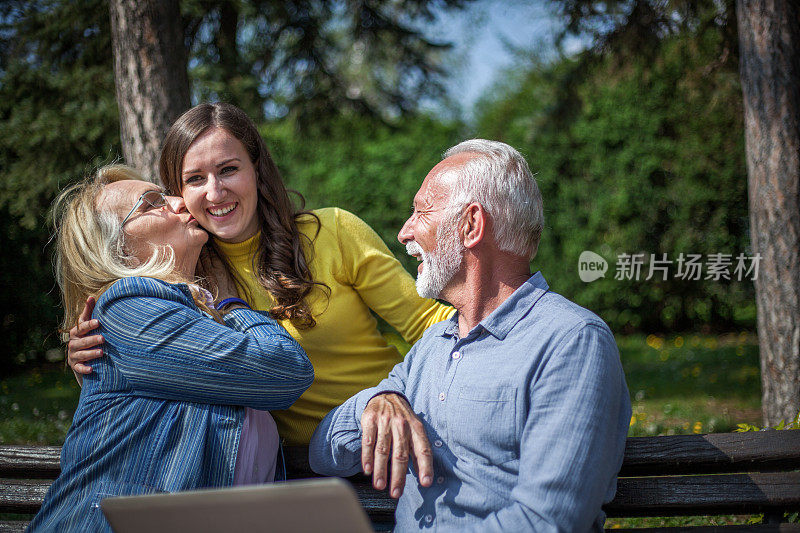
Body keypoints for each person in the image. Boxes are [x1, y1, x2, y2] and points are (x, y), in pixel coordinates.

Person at [68, 102, 454, 446]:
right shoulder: (181, 274)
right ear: (178, 193)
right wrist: (96, 359)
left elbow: (427, 321)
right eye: (195, 179)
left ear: (257, 169)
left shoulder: (333, 231)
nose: (215, 192)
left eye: (228, 169)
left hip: (387, 429)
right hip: (284, 468)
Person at [309, 140, 631, 532]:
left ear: (471, 225)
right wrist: (375, 403)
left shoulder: (572, 342)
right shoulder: (432, 347)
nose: (404, 231)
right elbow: (323, 453)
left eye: (422, 211)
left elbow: (548, 521)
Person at [30, 165, 314, 532]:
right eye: (152, 203)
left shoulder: (186, 315)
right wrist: (230, 302)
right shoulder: (126, 306)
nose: (181, 202)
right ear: (118, 246)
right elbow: (286, 371)